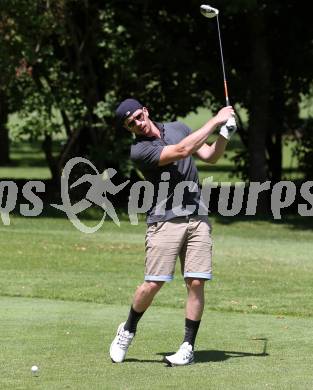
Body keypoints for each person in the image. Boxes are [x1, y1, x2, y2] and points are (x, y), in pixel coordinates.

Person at [109, 98, 236, 366]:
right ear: (128, 129)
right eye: (131, 124)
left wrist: (225, 134)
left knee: (196, 281)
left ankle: (187, 347)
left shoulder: (179, 127)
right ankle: (128, 329)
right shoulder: (140, 150)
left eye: (138, 117)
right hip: (165, 219)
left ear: (146, 111)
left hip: (197, 216)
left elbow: (211, 156)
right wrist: (216, 120)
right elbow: (180, 151)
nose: (138, 125)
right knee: (154, 282)